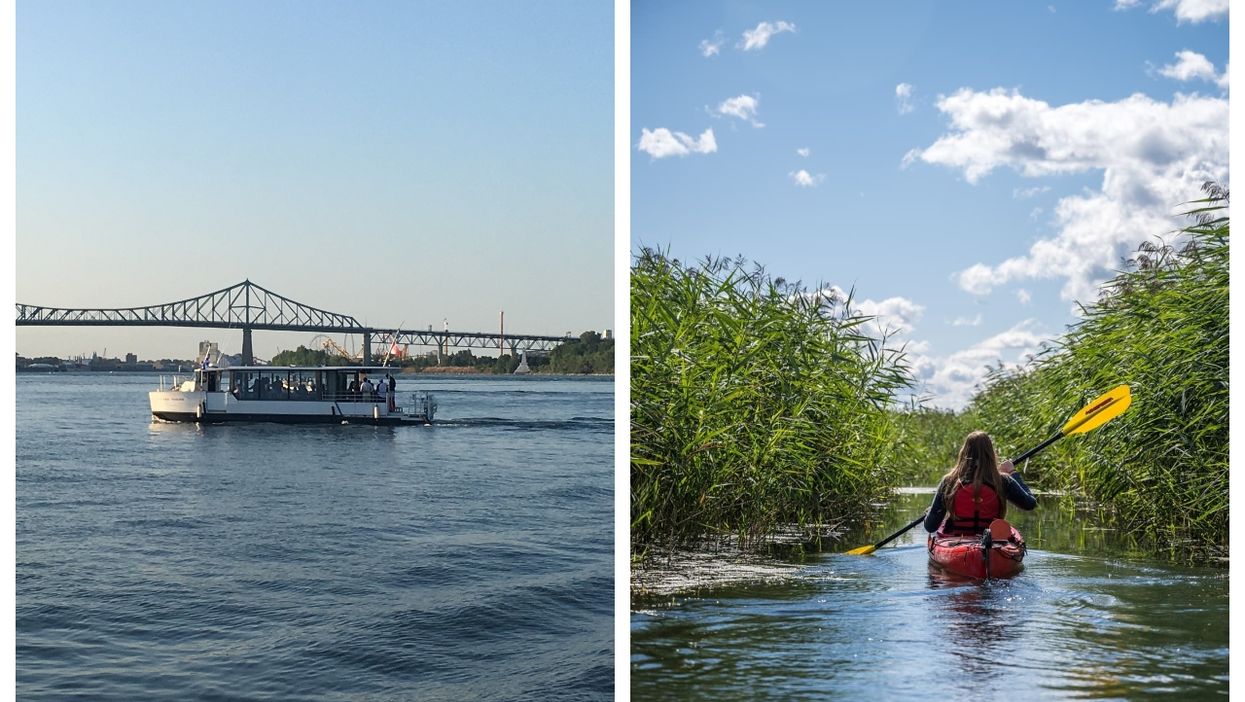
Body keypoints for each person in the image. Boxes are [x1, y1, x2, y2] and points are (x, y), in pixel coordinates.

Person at [924, 431, 1037, 535]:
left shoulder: (949, 481)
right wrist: (1012, 472)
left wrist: (929, 513)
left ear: (964, 452)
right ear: (991, 454)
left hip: (956, 540)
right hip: (991, 541)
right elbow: (1030, 504)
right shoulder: (1003, 480)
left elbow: (930, 527)